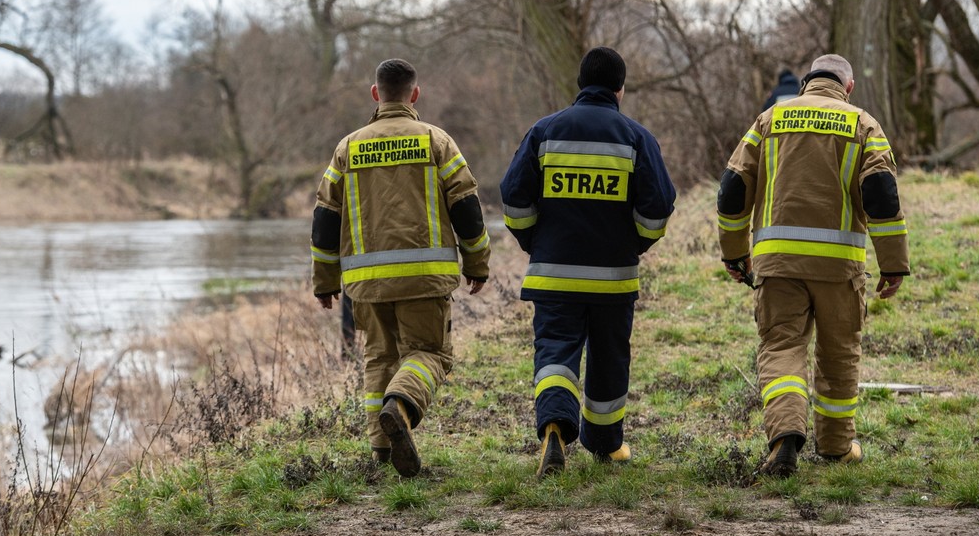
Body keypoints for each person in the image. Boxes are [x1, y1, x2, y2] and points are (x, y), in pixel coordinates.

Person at [717, 53, 910, 478]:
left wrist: (734, 252)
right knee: (839, 353)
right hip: (839, 269)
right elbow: (881, 195)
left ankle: (785, 436)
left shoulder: (770, 120)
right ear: (848, 86)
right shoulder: (863, 124)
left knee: (782, 346)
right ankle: (837, 447)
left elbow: (733, 188)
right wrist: (893, 264)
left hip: (777, 263)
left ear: (806, 81)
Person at [500, 47, 677, 478]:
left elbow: (513, 198)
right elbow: (657, 209)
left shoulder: (544, 131)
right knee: (609, 360)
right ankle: (605, 443)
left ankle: (555, 429)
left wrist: (535, 242)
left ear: (580, 84)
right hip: (614, 281)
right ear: (620, 89)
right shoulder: (636, 138)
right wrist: (633, 245)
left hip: (554, 276)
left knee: (555, 352)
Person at [311, 58, 491, 477]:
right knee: (430, 353)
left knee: (379, 358)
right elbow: (467, 207)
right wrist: (477, 263)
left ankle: (381, 451)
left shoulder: (348, 148)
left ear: (376, 93)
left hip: (366, 284)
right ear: (415, 94)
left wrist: (324, 280)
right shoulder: (436, 141)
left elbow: (325, 219)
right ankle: (402, 407)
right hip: (425, 279)